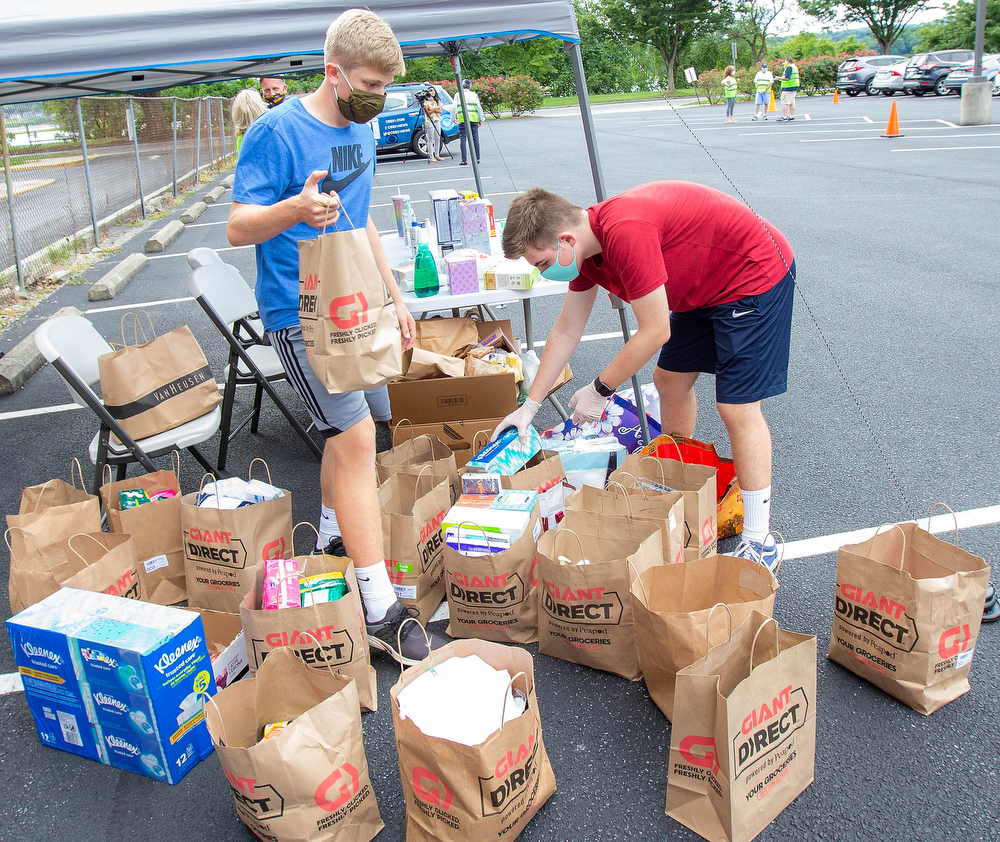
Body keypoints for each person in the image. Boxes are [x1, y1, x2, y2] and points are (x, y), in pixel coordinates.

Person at [229, 9, 446, 665]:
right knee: (353, 438)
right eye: (370, 82)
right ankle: (380, 608)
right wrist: (295, 208)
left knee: (359, 427)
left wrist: (394, 296)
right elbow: (239, 227)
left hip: (360, 304)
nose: (380, 96)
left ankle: (330, 536)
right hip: (300, 312)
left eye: (387, 84)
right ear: (333, 73)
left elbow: (362, 218)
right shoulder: (275, 132)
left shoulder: (367, 123)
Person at [494, 182, 795, 575]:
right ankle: (678, 484)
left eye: (543, 263)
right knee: (669, 381)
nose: (544, 272)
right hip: (702, 289)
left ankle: (760, 541)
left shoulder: (624, 232)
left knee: (737, 407)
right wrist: (528, 408)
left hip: (752, 272)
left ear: (566, 239)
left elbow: (655, 330)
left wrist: (599, 389)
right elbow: (566, 330)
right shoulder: (585, 253)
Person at [456, 78, 482, 165]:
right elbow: (479, 107)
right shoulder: (474, 94)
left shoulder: (458, 94)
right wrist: (480, 118)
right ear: (470, 86)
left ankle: (464, 160)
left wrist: (453, 119)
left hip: (462, 119)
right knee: (475, 139)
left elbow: (453, 107)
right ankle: (477, 158)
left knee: (463, 139)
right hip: (473, 118)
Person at [421, 86, 444, 162]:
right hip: (429, 120)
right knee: (430, 139)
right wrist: (434, 109)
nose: (432, 92)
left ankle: (437, 155)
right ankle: (431, 156)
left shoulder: (437, 100)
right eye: (431, 91)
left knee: (437, 138)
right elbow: (428, 112)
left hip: (437, 119)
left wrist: (432, 109)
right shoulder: (425, 101)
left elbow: (439, 110)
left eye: (433, 91)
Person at [778, 58, 799, 122]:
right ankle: (792, 115)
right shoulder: (795, 67)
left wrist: (779, 78)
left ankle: (784, 116)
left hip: (787, 87)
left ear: (788, 61)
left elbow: (787, 78)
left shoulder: (789, 67)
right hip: (794, 86)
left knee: (784, 102)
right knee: (792, 102)